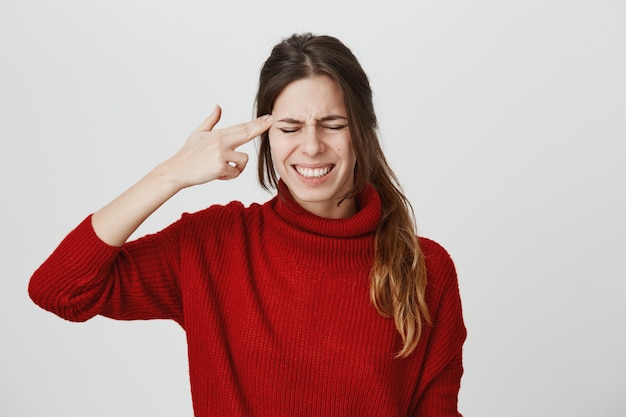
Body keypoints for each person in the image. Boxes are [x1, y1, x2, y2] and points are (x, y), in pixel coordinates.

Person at [29, 33, 466, 416]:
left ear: (364, 131)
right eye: (290, 127)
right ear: (266, 137)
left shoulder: (424, 268)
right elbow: (59, 289)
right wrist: (171, 174)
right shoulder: (213, 246)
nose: (311, 146)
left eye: (332, 124)